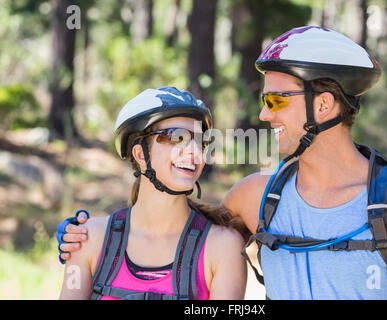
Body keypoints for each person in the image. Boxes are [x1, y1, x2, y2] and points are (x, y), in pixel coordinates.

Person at [58, 27, 387, 300]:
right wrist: (89, 234)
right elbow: (175, 230)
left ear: (324, 104)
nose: (264, 115)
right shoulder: (254, 197)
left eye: (276, 100)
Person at [58, 87, 247, 300]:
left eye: (200, 141)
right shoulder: (88, 238)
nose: (195, 152)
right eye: (177, 137)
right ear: (140, 154)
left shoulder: (222, 247)